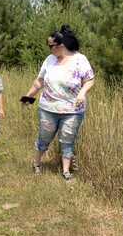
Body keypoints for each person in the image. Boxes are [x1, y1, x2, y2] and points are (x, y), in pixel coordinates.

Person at [21, 25, 94, 181]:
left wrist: (82, 93)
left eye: (50, 46)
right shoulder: (49, 60)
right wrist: (28, 96)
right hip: (48, 108)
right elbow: (39, 81)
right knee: (44, 137)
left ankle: (66, 172)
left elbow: (90, 80)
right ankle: (36, 163)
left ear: (61, 45)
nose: (49, 49)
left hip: (73, 110)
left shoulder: (80, 60)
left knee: (67, 139)